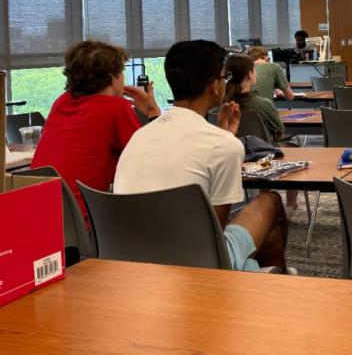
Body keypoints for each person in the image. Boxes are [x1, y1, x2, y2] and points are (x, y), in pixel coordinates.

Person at [114, 40, 291, 272]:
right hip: (197, 264)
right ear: (214, 86)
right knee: (272, 202)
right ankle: (272, 283)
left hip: (130, 260)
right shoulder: (224, 145)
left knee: (264, 241)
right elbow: (214, 237)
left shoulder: (140, 136)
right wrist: (225, 140)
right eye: (224, 77)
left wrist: (222, 136)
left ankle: (263, 275)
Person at [30, 40, 160, 220]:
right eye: (121, 72)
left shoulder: (62, 102)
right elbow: (155, 159)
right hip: (85, 224)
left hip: (39, 216)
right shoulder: (115, 108)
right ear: (112, 78)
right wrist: (152, 111)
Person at [224, 54, 286, 143]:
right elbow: (280, 130)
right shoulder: (263, 105)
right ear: (250, 74)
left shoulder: (218, 107)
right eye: (254, 70)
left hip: (228, 153)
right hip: (260, 153)